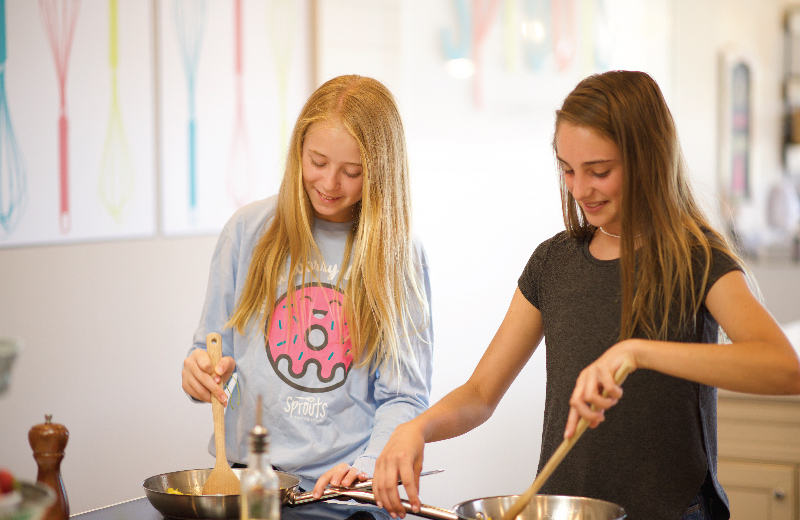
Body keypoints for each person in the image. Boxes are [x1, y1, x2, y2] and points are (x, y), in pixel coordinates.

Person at [371, 70, 800, 520]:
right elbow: (480, 393)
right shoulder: (553, 263)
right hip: (567, 510)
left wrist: (639, 352)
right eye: (568, 170)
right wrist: (415, 429)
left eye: (599, 172)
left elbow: (783, 368)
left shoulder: (695, 258)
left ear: (649, 160)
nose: (579, 189)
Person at [181, 75, 433, 519]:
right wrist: (200, 373)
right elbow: (212, 351)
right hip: (249, 482)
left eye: (352, 172)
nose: (330, 183)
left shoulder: (397, 254)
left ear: (380, 172)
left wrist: (366, 467)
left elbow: (405, 397)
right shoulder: (247, 231)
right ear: (298, 149)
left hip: (346, 494)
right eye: (317, 161)